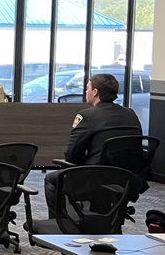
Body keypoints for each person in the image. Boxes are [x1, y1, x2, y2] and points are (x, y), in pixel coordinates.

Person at [44, 72, 140, 206]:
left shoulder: (87, 116)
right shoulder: (130, 113)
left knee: (51, 179)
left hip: (96, 178)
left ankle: (60, 219)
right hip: (128, 178)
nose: (85, 92)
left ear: (95, 92)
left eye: (87, 88)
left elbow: (72, 155)